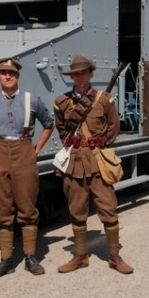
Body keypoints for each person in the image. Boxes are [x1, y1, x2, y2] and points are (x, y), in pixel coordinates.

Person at [53, 55, 133, 274]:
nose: (80, 77)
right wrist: (76, 146)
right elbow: (61, 128)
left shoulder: (104, 100)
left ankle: (115, 257)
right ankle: (80, 256)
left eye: (83, 72)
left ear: (90, 74)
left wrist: (96, 145)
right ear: (72, 77)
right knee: (77, 210)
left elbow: (113, 127)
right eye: (75, 74)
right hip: (74, 163)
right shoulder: (62, 102)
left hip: (98, 162)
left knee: (108, 208)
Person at [0, 57, 54, 280]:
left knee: (27, 205)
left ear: (18, 76)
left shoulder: (31, 100)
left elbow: (48, 124)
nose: (8, 76)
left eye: (11, 73)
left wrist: (36, 149)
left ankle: (31, 257)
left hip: (24, 150)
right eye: (3, 73)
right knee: (1, 207)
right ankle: (6, 260)